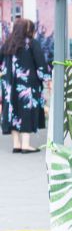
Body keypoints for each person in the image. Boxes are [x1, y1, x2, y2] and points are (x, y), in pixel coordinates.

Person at [1, 18, 50, 153]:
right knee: (26, 111)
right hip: (28, 85)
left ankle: (16, 144)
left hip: (9, 86)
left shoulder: (7, 44)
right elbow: (40, 63)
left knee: (12, 111)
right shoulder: (32, 44)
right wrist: (47, 79)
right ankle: (26, 145)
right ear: (29, 30)